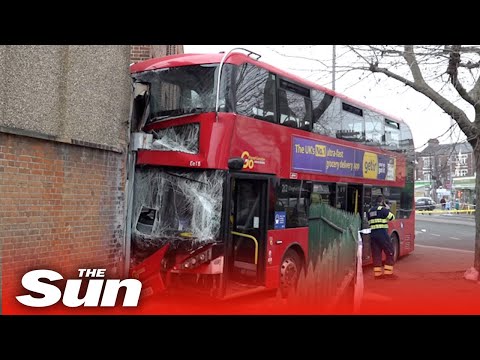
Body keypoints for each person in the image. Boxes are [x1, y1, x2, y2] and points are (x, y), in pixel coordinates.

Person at [367, 195, 397, 280]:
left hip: (373, 234)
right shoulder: (383, 210)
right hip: (382, 233)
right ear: (382, 202)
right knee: (390, 251)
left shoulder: (369, 211)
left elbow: (369, 222)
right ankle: (388, 273)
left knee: (376, 254)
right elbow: (392, 217)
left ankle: (378, 275)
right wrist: (387, 208)